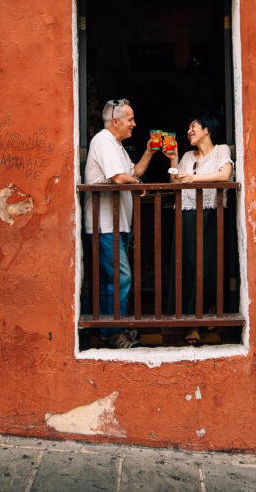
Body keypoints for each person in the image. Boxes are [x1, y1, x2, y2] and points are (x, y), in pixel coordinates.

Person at [83, 98, 158, 349]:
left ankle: (108, 330)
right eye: (130, 120)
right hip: (105, 225)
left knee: (111, 279)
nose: (134, 124)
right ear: (115, 121)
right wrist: (137, 185)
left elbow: (132, 172)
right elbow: (119, 178)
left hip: (118, 224)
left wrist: (149, 151)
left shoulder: (117, 146)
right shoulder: (103, 141)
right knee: (122, 277)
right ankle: (116, 332)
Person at [165, 114, 234, 344]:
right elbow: (175, 182)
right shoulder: (186, 155)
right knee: (187, 265)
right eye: (188, 127)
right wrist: (174, 161)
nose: (189, 131)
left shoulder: (221, 150)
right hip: (185, 214)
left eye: (193, 126)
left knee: (206, 266)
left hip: (211, 214)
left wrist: (195, 180)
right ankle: (192, 319)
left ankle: (199, 318)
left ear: (207, 129)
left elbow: (225, 175)